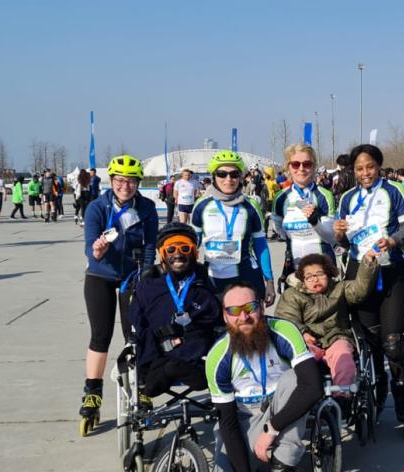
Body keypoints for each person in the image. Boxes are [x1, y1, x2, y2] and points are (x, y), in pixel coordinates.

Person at [204, 283, 324, 472]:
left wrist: (272, 429)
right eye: (234, 311)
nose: (244, 317)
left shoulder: (283, 330)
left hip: (281, 407)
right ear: (225, 316)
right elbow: (227, 423)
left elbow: (313, 387)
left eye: (250, 307)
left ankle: (283, 469)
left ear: (261, 306)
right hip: (243, 419)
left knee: (293, 379)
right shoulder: (218, 356)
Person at [333, 144, 404, 427]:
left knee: (392, 342)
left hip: (391, 270)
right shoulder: (347, 198)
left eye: (370, 167)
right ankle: (378, 395)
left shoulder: (395, 191)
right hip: (360, 273)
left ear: (378, 166)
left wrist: (393, 240)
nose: (365, 173)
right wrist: (339, 234)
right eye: (359, 168)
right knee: (369, 345)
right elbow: (344, 243)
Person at [79, 155, 161, 430]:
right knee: (100, 336)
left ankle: (142, 389)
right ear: (111, 181)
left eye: (131, 181)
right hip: (101, 275)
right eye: (120, 181)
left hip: (132, 276)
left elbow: (151, 245)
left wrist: (146, 274)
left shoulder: (147, 207)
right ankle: (92, 393)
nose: (126, 186)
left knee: (136, 335)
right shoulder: (96, 207)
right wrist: (97, 250)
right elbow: (91, 245)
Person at [128, 222, 221, 406]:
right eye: (171, 249)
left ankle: (176, 369)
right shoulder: (147, 287)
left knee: (204, 341)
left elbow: (213, 318)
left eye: (185, 248)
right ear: (163, 254)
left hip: (193, 349)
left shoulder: (203, 288)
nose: (178, 254)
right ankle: (166, 370)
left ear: (194, 252)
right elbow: (137, 321)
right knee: (147, 354)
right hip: (159, 348)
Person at [275, 252, 378, 389]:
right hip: (307, 341)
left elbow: (360, 289)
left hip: (336, 337)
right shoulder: (292, 295)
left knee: (344, 357)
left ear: (328, 274)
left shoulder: (340, 288)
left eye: (319, 274)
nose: (315, 279)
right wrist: (302, 333)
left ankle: (343, 395)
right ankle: (306, 395)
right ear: (302, 279)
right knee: (303, 362)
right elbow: (286, 317)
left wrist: (368, 261)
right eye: (309, 277)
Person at [191, 151, 275, 303]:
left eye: (234, 174)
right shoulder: (202, 205)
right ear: (214, 176)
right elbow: (192, 246)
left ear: (241, 177)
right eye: (222, 174)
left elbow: (260, 245)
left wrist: (269, 281)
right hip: (212, 278)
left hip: (246, 275)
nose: (228, 179)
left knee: (247, 325)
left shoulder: (251, 205)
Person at [271, 144, 337, 282]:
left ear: (313, 167)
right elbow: (279, 230)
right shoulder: (280, 197)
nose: (301, 168)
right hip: (294, 268)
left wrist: (315, 223)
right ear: (288, 167)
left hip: (322, 270)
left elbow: (331, 238)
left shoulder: (324, 195)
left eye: (307, 164)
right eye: (295, 164)